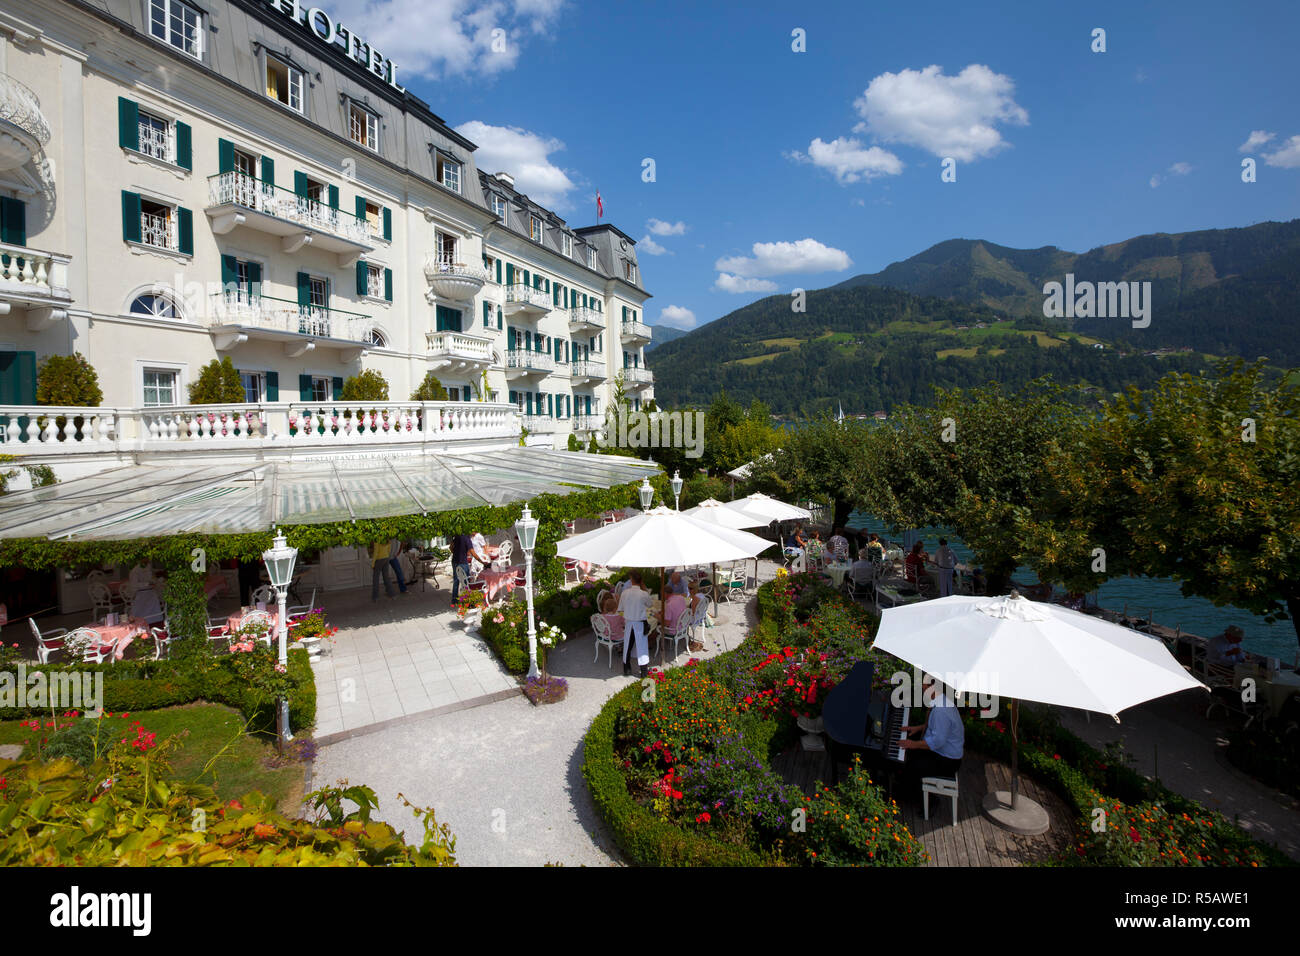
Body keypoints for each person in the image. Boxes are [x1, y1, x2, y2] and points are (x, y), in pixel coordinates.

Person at [898, 674, 965, 781]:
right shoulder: (941, 699)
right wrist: (918, 728)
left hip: (947, 761)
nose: (922, 687)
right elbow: (939, 727)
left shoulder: (941, 710)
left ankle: (913, 794)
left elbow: (937, 741)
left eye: (924, 684)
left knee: (910, 765)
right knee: (907, 749)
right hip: (942, 751)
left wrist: (913, 744)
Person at [617, 571, 652, 678]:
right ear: (641, 581)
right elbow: (650, 604)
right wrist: (644, 589)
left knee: (628, 645)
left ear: (631, 580)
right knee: (642, 647)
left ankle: (626, 669)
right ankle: (644, 671)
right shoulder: (644, 594)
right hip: (639, 623)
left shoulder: (625, 593)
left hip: (629, 623)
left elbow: (621, 608)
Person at [450, 532, 473, 602]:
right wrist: (481, 561)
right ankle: (466, 599)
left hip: (455, 561)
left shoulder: (457, 537)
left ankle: (454, 599)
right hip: (463, 562)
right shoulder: (467, 539)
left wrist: (454, 552)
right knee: (466, 581)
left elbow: (450, 547)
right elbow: (471, 552)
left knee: (456, 580)